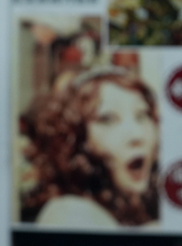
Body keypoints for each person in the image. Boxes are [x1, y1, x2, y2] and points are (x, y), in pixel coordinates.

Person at [19, 70, 160, 228]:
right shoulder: (69, 213)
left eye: (142, 115)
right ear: (78, 138)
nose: (137, 135)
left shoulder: (139, 206)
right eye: (108, 119)